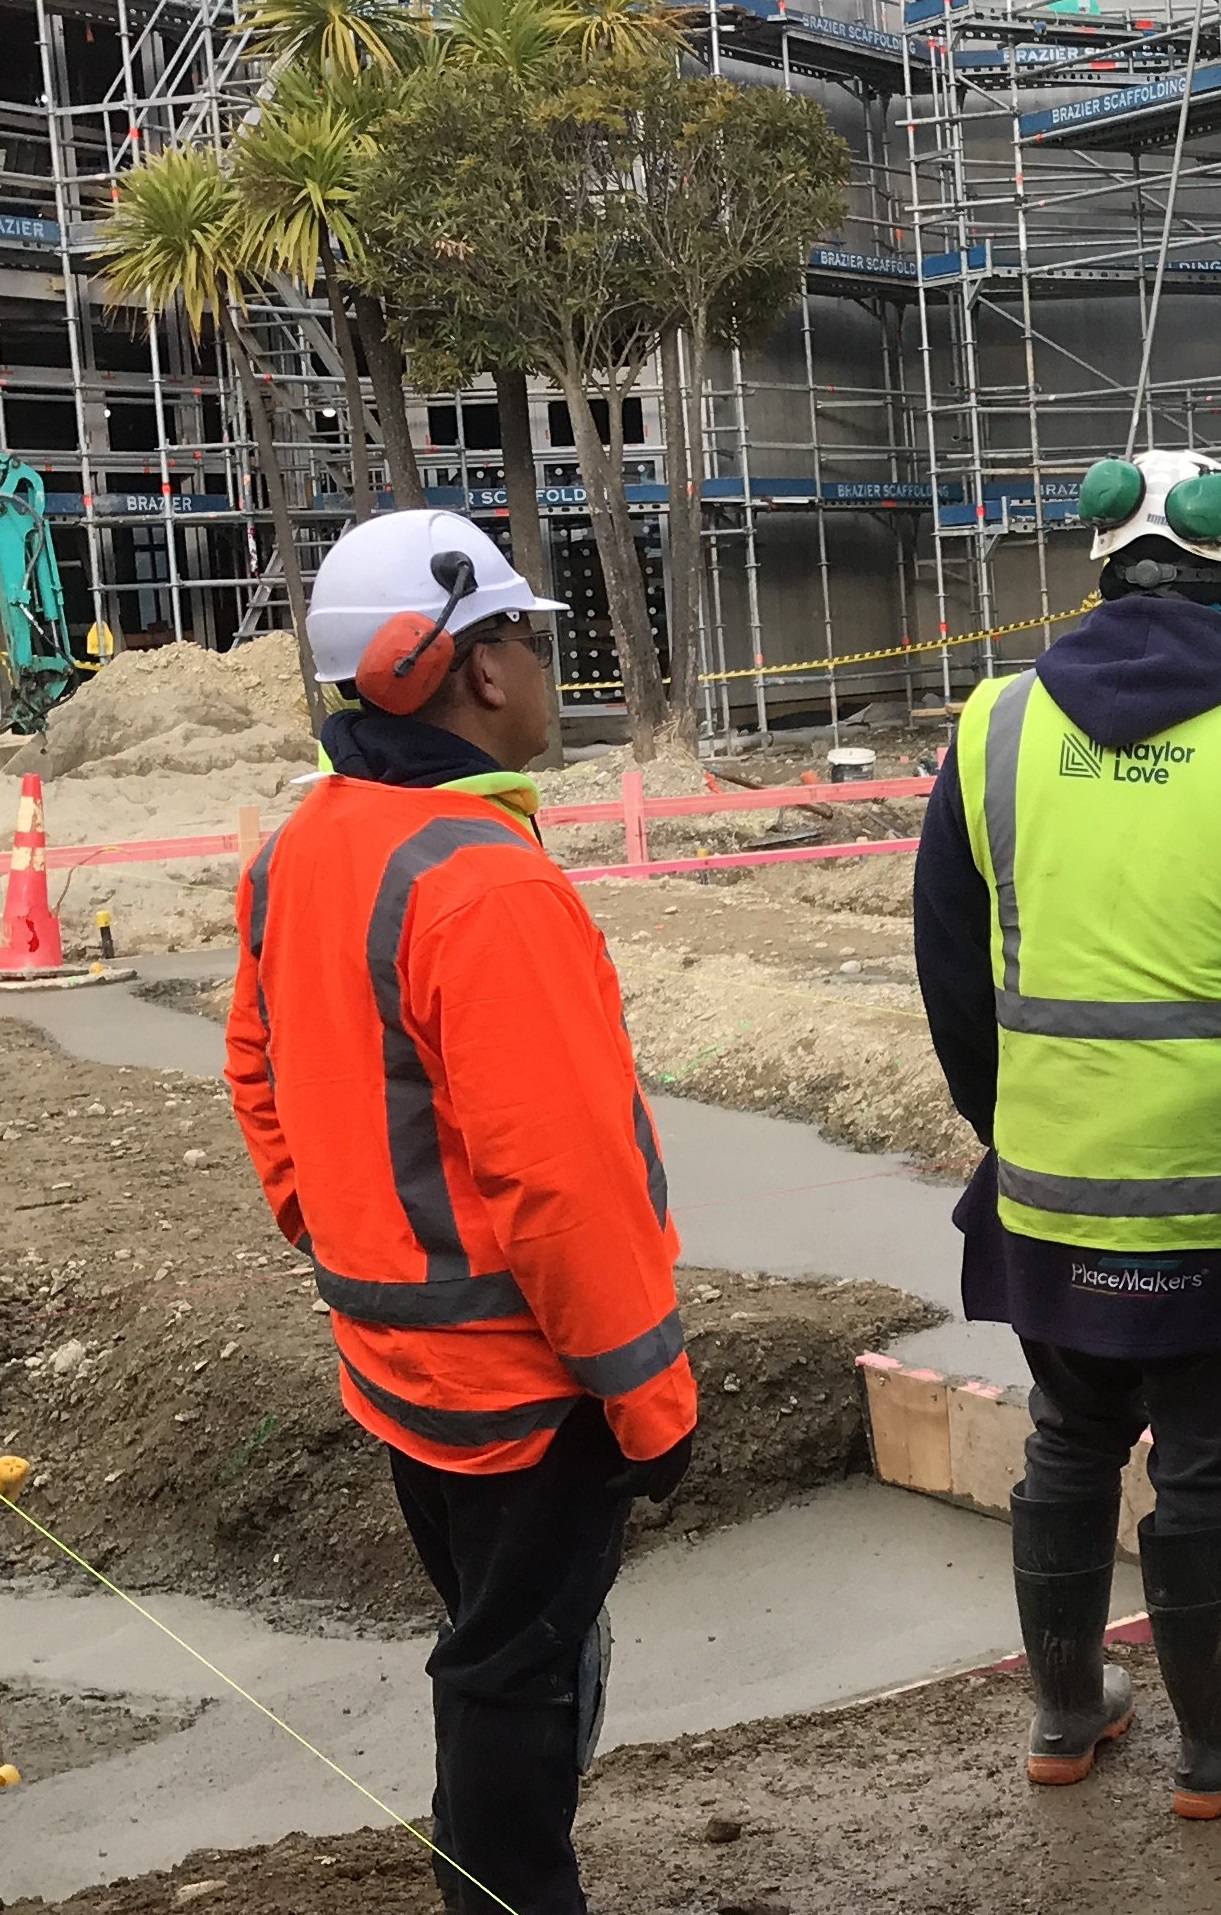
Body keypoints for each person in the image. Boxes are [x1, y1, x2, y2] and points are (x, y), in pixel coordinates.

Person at [913, 447, 1221, 1818]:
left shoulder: (993, 729)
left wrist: (1007, 1127)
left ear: (1096, 571)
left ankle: (1068, 1718)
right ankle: (1218, 1742)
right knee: (1200, 1452)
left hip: (1050, 1181)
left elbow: (951, 978)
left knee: (1067, 1439)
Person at [226, 510, 697, 1914]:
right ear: (475, 668)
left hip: (398, 1366)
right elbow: (562, 1178)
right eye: (527, 637)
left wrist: (352, 1251)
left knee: (496, 1648)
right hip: (524, 1388)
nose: (544, 667)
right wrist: (650, 1394)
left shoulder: (307, 846)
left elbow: (260, 1077)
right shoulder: (482, 882)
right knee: (509, 1676)